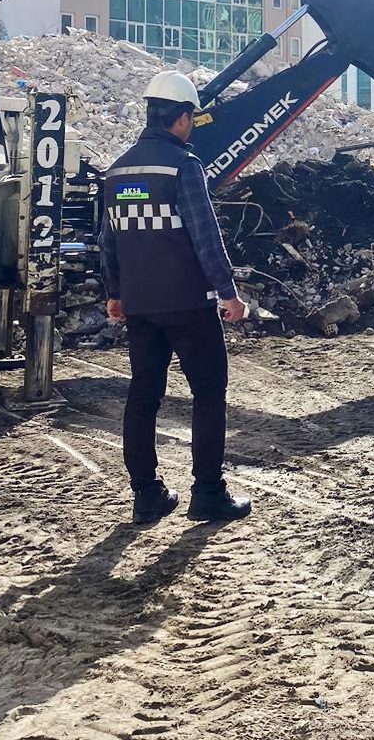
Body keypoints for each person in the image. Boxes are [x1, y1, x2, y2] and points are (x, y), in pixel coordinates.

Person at [101, 70, 252, 525]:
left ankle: (146, 495)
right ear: (184, 118)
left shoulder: (118, 170)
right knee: (208, 391)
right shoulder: (183, 167)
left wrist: (115, 293)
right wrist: (228, 293)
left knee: (143, 395)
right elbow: (205, 236)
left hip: (141, 305)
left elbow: (109, 240)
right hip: (188, 302)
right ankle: (207, 492)